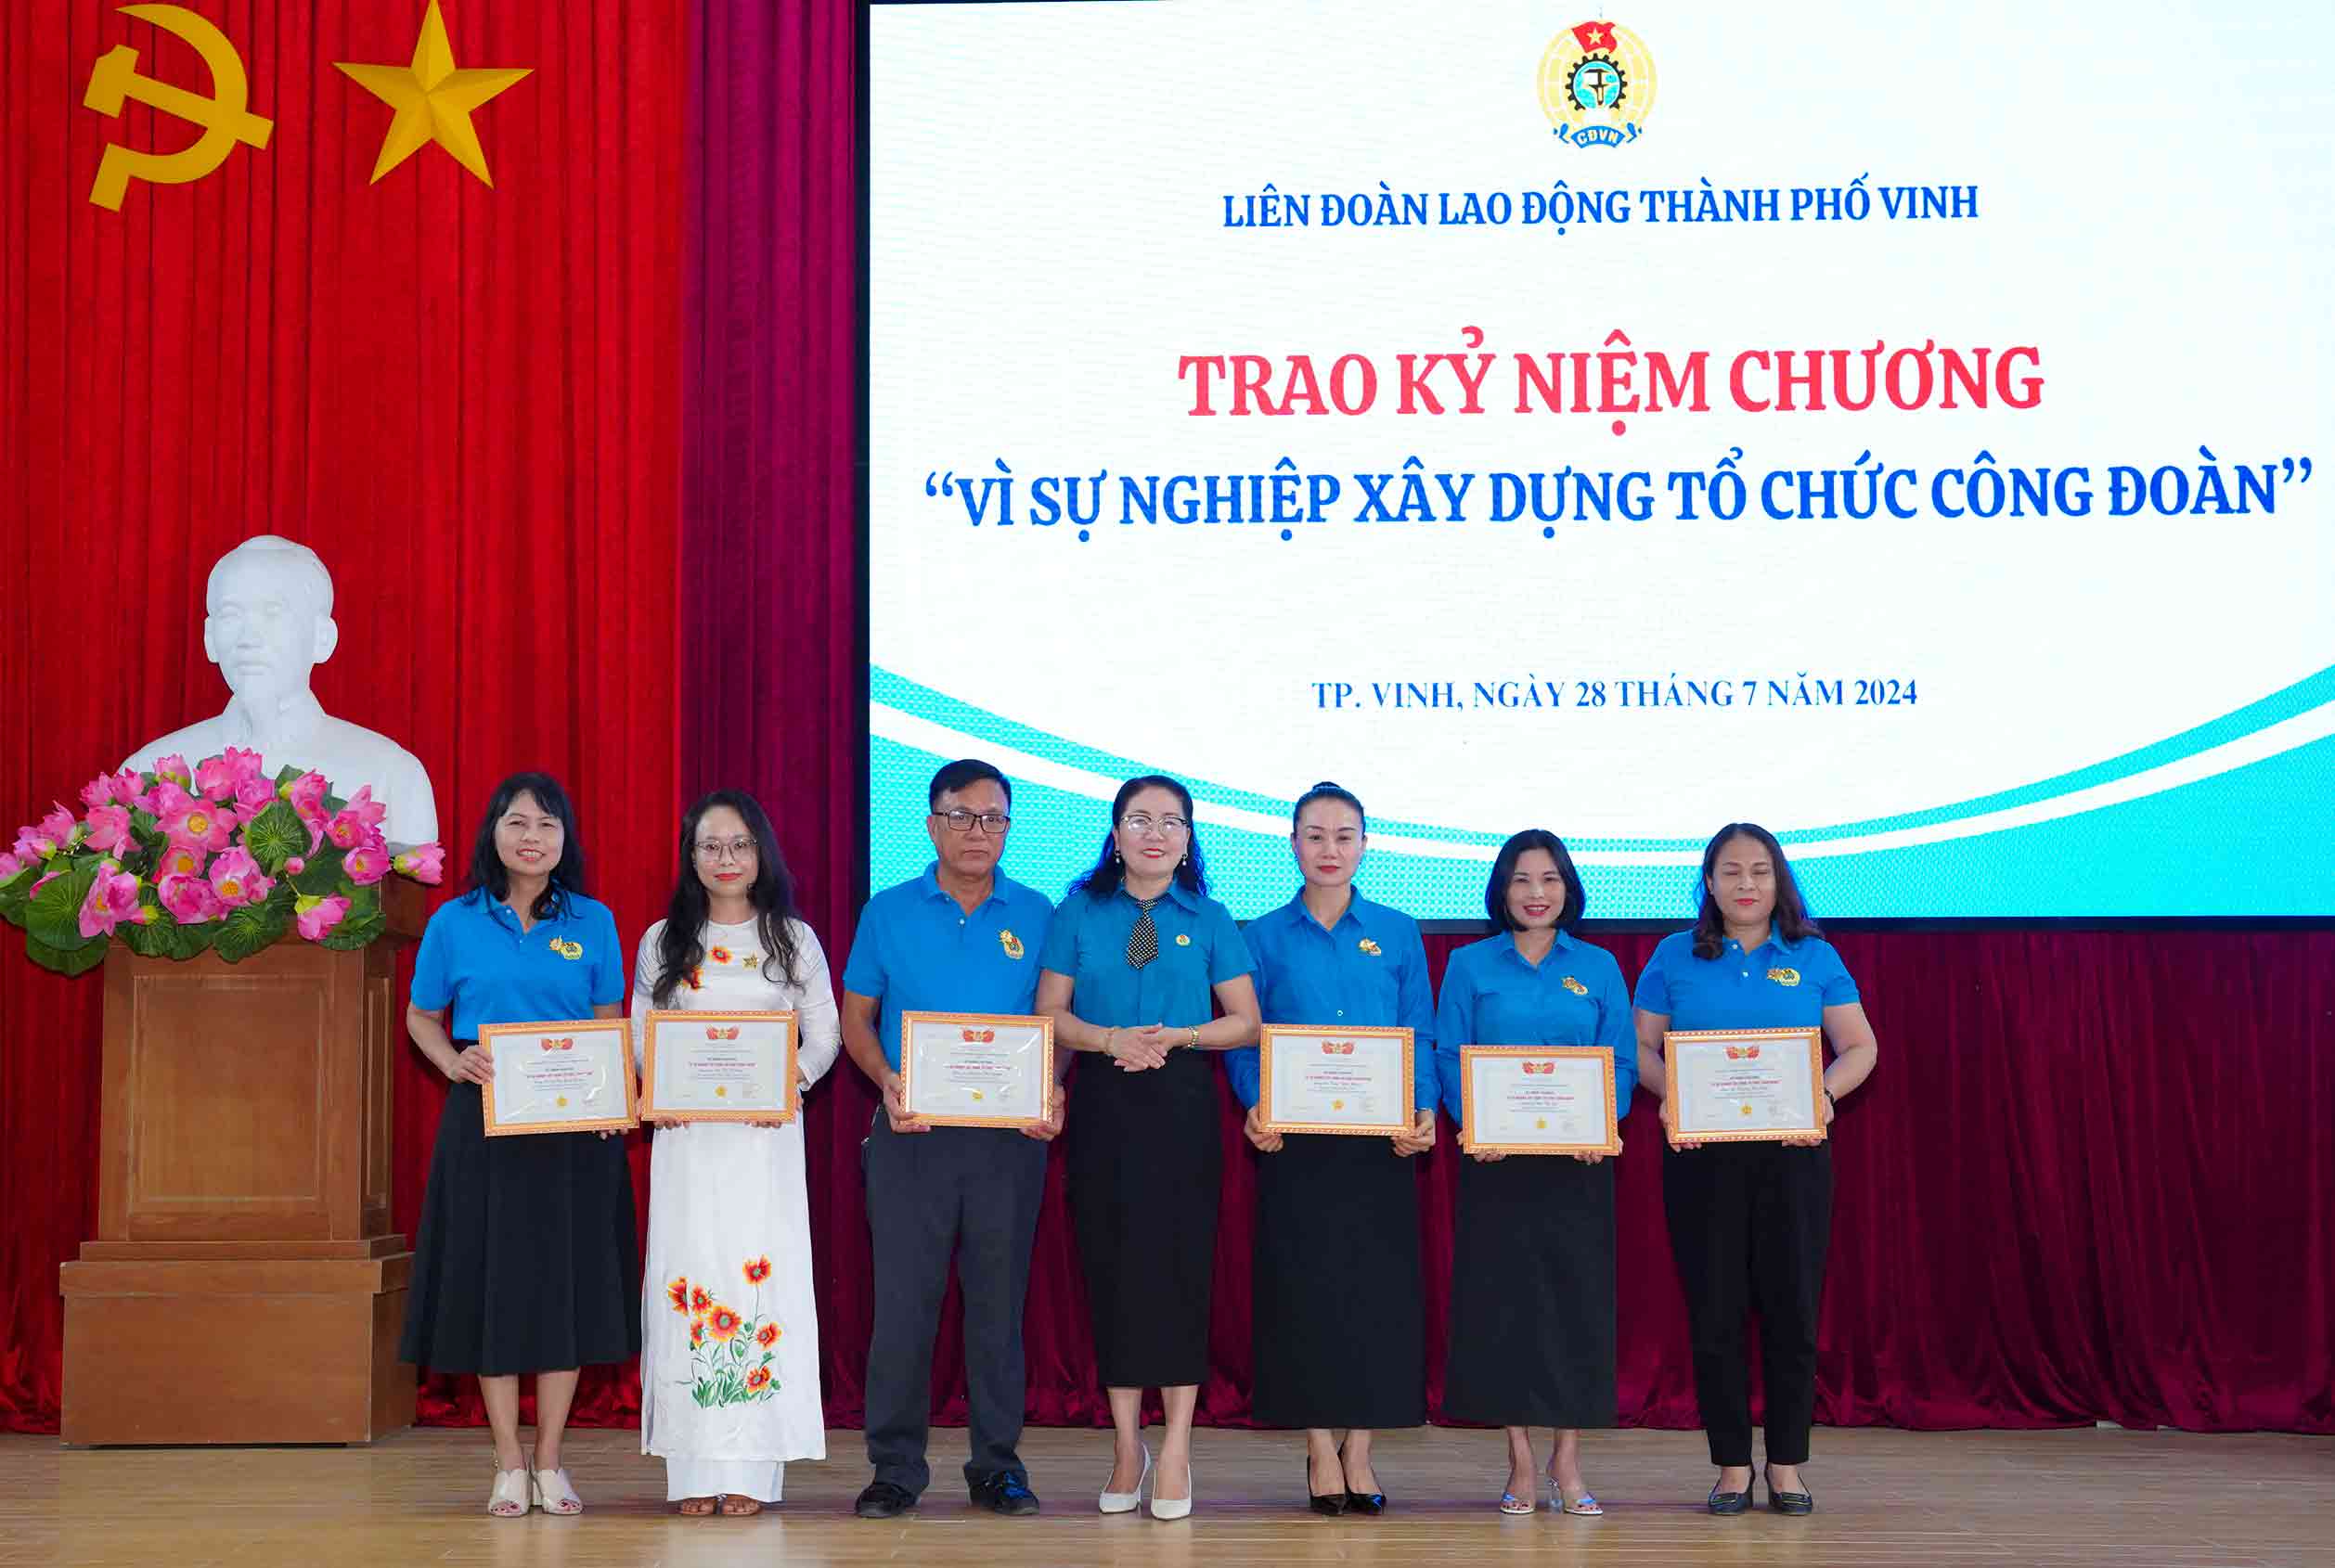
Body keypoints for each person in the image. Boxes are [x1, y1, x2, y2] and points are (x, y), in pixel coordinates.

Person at [397, 772, 639, 1518]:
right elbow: (420, 1017)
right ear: (493, 835)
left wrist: (615, 1098)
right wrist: (450, 1061)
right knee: (494, 1289)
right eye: (517, 823)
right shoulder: (453, 922)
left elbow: (611, 1026)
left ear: (565, 841)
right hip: (485, 1126)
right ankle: (506, 1464)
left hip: (573, 1133)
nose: (531, 837)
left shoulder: (593, 921)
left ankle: (551, 1462)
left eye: (547, 825)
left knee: (562, 1291)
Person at [1632, 822, 1879, 1517]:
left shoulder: (1814, 956)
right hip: (1701, 1159)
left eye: (1760, 872)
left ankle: (1788, 1466)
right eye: (1731, 872)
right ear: (1708, 883)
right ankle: (1732, 1467)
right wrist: (1670, 1095)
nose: (1746, 885)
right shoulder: (1674, 956)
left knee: (1792, 1313)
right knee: (1715, 1315)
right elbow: (1641, 1049)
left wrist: (1822, 1096)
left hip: (1793, 1159)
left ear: (1780, 883)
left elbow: (1860, 1047)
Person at [840, 759, 1062, 1519]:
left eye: (994, 817)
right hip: (913, 1135)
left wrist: (1053, 1085)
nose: (978, 831)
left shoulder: (1038, 912)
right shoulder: (889, 911)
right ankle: (895, 1467)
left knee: (998, 1310)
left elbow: (1056, 1021)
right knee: (904, 1309)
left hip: (1008, 1143)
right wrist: (885, 1081)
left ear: (1008, 827)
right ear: (931, 823)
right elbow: (856, 1017)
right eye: (962, 816)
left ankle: (997, 1465)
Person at [1037, 774, 1259, 1521]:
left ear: (1189, 838)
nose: (1155, 834)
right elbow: (1050, 1015)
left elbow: (1246, 1020)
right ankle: (1128, 1445)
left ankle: (1176, 1451)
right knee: (1115, 1268)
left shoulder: (1213, 916)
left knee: (1179, 1272)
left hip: (1184, 1103)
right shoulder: (1077, 912)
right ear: (1115, 832)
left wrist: (1179, 1037)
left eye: (1171, 822)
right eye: (1140, 820)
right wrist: (1108, 1041)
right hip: (1105, 1101)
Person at [1226, 781, 1436, 1515]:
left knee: (1377, 1298)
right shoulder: (1261, 936)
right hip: (1296, 1143)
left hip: (1381, 1145)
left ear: (1365, 846)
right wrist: (1256, 1102)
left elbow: (1421, 1031)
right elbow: (1247, 1036)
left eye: (1344, 835)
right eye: (1314, 835)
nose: (1329, 849)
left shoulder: (1399, 931)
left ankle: (1362, 1450)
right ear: (1292, 844)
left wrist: (1424, 1108)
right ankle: (1320, 1445)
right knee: (1306, 1295)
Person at [633, 790, 840, 1516]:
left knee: (760, 1286)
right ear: (692, 857)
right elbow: (642, 1035)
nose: (726, 858)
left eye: (740, 845)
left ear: (761, 856)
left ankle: (751, 1470)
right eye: (711, 845)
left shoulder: (793, 939)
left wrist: (792, 1085)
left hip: (765, 1145)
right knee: (687, 1280)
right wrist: (660, 1090)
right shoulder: (663, 940)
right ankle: (691, 1472)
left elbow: (824, 1037)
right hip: (688, 1142)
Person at [1434, 829, 1632, 1516]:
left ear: (1568, 887)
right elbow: (1448, 1054)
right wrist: (1471, 1122)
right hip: (1498, 1165)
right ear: (1502, 889)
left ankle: (1567, 1462)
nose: (1537, 893)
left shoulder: (1600, 966)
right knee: (1506, 1311)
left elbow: (1624, 1061)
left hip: (1578, 1166)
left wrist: (1603, 1121)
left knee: (1576, 1310)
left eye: (1549, 879)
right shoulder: (1469, 965)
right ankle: (1519, 1461)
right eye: (1522, 880)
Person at [123, 533, 437, 843]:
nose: (249, 637)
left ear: (323, 638)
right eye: (231, 614)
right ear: (209, 638)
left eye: (273, 612)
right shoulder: (147, 773)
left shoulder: (392, 778)